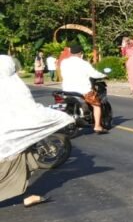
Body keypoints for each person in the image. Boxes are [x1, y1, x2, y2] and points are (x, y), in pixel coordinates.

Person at [0, 55, 74, 207]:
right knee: (10, 170)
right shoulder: (13, 85)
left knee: (22, 163)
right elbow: (31, 110)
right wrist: (62, 117)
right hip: (12, 138)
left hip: (11, 138)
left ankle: (26, 196)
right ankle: (25, 196)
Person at [60, 42, 107, 133]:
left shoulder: (64, 62)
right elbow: (94, 74)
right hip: (83, 91)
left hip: (67, 90)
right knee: (97, 105)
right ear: (81, 53)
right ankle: (97, 126)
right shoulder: (84, 63)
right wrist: (104, 75)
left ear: (71, 53)